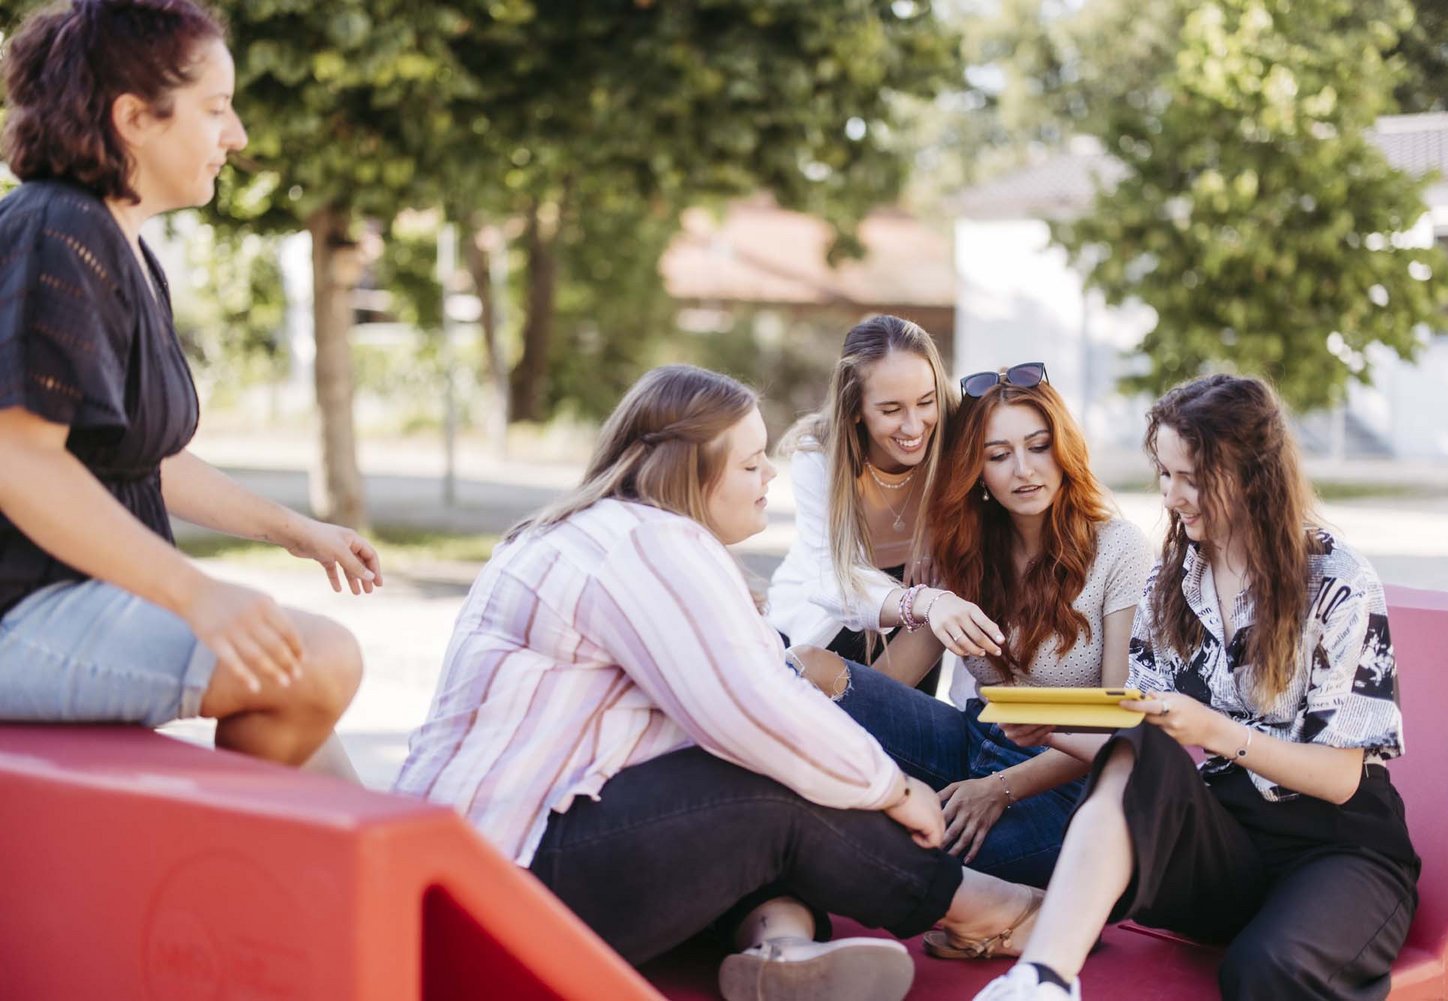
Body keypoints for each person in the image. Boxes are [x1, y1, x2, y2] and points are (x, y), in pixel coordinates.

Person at [395, 365, 1045, 1001]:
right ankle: (979, 908)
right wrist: (894, 788)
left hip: (461, 868)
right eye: (751, 463)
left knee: (768, 791)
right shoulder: (650, 542)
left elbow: (765, 678)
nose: (769, 476)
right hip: (502, 887)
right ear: (691, 472)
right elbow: (759, 711)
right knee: (774, 785)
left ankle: (781, 952)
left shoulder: (589, 530)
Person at [0, 0, 379, 771]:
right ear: (135, 116)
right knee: (317, 660)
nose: (234, 136)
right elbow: (19, 458)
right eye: (215, 109)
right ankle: (219, 875)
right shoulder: (56, 233)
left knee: (336, 780)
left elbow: (140, 458)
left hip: (66, 603)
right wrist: (196, 594)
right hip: (20, 613)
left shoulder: (118, 244)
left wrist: (295, 530)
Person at [967, 374, 1418, 1001]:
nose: (1173, 496)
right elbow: (1138, 743)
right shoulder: (1171, 581)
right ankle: (1041, 981)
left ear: (1255, 474)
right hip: (1229, 843)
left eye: (1193, 477)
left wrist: (1216, 733)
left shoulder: (1337, 581)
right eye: (1165, 474)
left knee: (1265, 969)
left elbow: (1342, 778)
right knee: (1138, 743)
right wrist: (1056, 732)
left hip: (1338, 850)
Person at [792, 364, 1150, 888]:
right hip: (974, 739)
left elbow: (1121, 720)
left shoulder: (1119, 548)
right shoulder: (966, 552)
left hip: (1069, 776)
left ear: (1065, 449)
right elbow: (890, 679)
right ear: (976, 470)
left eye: (1039, 446)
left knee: (919, 856)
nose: (1023, 470)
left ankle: (1018, 909)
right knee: (810, 668)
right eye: (998, 456)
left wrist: (999, 788)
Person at [767, 314, 996, 694]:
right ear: (855, 408)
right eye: (891, 410)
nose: (914, 426)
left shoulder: (957, 443)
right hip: (828, 618)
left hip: (919, 622)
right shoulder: (820, 456)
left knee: (895, 737)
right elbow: (834, 579)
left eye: (926, 402)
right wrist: (921, 602)